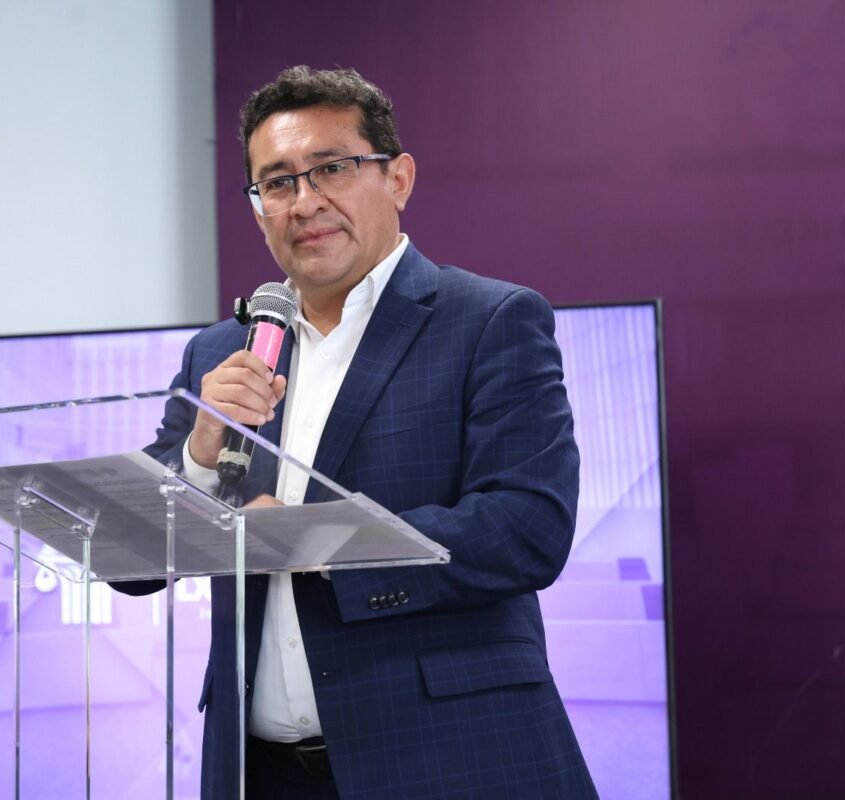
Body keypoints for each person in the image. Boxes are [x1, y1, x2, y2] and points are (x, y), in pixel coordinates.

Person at [122, 65, 597, 800]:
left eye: (332, 168)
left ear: (398, 179)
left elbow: (527, 527)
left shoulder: (488, 321)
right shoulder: (220, 353)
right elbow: (132, 566)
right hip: (259, 774)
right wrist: (198, 453)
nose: (304, 201)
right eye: (277, 182)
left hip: (447, 761)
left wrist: (312, 542)